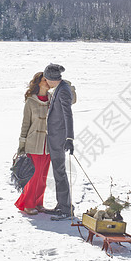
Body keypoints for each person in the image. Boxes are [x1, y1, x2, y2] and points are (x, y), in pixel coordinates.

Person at [14, 72, 52, 215]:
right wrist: (22, 144)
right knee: (33, 177)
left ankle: (38, 203)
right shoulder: (31, 102)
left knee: (42, 177)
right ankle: (28, 204)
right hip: (33, 143)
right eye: (44, 80)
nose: (47, 82)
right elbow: (25, 124)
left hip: (48, 145)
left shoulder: (52, 99)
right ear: (38, 83)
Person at [43, 63, 75, 220]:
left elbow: (68, 115)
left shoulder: (63, 91)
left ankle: (65, 209)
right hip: (57, 137)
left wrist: (69, 138)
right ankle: (62, 205)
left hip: (59, 138)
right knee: (58, 172)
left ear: (50, 78)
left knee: (60, 172)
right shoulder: (61, 88)